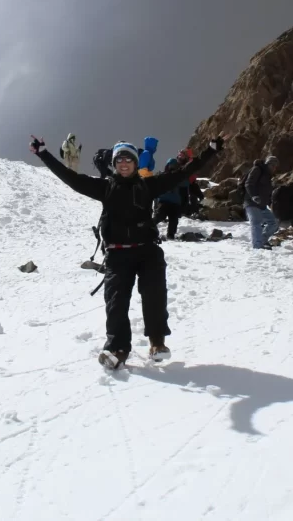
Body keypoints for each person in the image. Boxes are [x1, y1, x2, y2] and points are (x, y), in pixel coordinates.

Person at [30, 133, 225, 369]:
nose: (124, 163)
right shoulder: (104, 187)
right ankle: (118, 349)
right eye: (119, 160)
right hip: (117, 255)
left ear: (135, 163)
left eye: (128, 160)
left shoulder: (148, 185)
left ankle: (157, 343)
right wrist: (44, 154)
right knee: (115, 301)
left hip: (148, 252)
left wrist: (211, 150)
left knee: (154, 296)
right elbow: (71, 178)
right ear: (114, 164)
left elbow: (182, 174)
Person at [243, 156, 280, 249]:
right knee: (256, 222)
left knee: (274, 222)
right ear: (268, 164)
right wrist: (254, 196)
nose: (274, 168)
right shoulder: (257, 169)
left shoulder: (268, 176)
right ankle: (257, 246)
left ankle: (262, 240)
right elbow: (248, 183)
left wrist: (271, 203)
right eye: (273, 165)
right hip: (251, 202)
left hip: (262, 205)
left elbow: (267, 192)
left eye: (275, 166)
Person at [154, 158, 187, 241]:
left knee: (172, 219)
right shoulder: (163, 175)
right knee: (162, 217)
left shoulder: (177, 177)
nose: (172, 167)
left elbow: (185, 184)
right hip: (167, 201)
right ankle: (151, 231)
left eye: (174, 166)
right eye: (171, 165)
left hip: (171, 202)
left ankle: (170, 236)